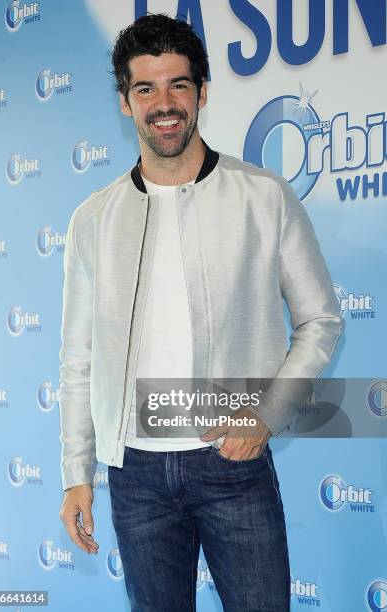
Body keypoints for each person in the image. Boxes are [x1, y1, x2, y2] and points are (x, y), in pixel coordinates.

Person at [59, 13, 344, 611]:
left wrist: (266, 414)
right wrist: (76, 472)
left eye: (178, 85)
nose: (163, 104)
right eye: (145, 89)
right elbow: (79, 357)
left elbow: (320, 320)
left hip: (231, 465)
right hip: (134, 476)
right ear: (125, 103)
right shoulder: (93, 218)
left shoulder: (262, 196)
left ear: (202, 93)